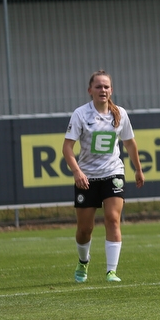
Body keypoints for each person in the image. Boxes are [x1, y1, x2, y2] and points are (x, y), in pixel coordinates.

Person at [63, 70, 145, 283]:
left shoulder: (120, 114)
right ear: (90, 90)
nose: (103, 90)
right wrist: (77, 172)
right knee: (85, 229)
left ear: (112, 90)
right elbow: (67, 148)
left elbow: (129, 143)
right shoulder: (81, 114)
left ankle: (111, 271)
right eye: (98, 86)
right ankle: (83, 262)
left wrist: (138, 169)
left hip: (113, 173)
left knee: (112, 219)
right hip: (87, 178)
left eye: (106, 86)